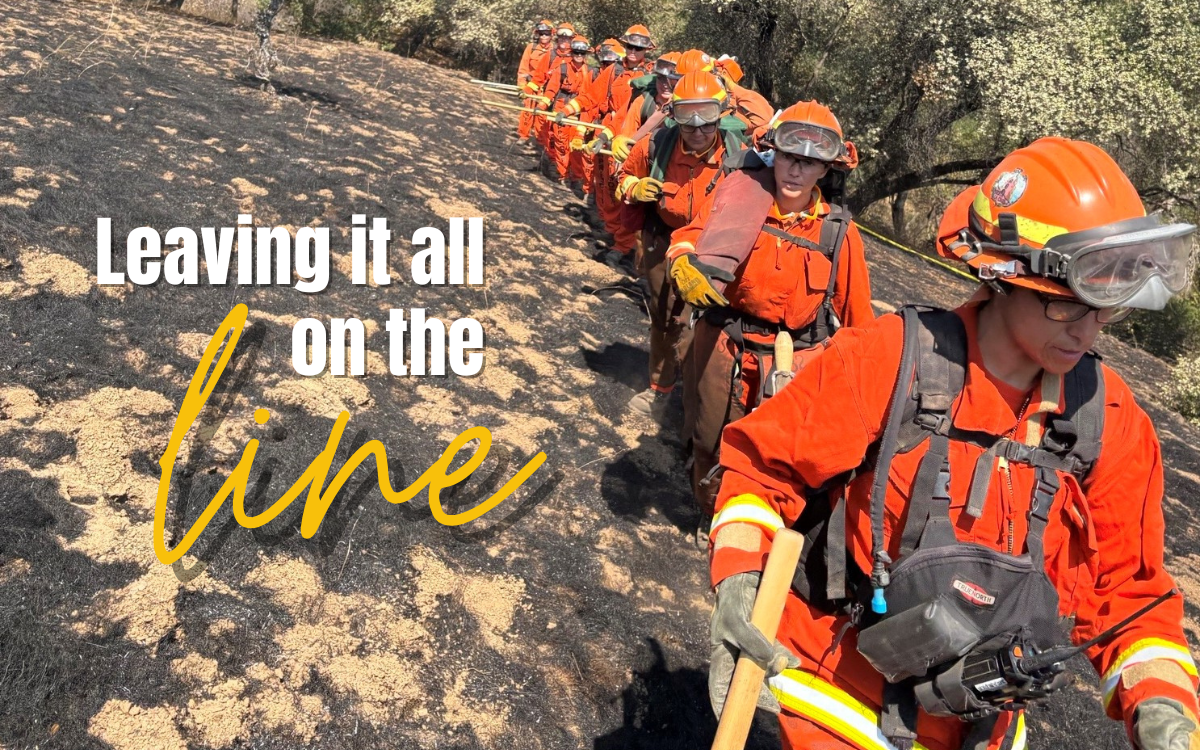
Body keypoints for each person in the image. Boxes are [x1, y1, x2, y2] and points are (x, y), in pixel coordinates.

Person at [706, 137, 1200, 750]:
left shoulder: (1110, 419)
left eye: (1106, 307)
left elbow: (1129, 589)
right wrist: (739, 581)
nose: (1089, 329)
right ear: (1004, 276)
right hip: (831, 698)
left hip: (983, 725)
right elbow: (761, 474)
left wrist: (1162, 706)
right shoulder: (891, 361)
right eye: (1067, 305)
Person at [667, 100, 872, 517]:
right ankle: (712, 517)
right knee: (709, 440)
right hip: (724, 344)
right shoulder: (740, 198)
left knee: (775, 457)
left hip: (795, 362)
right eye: (789, 157)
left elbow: (858, 320)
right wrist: (683, 260)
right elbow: (689, 235)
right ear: (772, 154)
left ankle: (752, 525)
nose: (796, 171)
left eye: (809, 163)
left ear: (826, 170)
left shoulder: (838, 233)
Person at [615, 71, 749, 417]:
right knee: (663, 317)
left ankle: (698, 403)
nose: (698, 130)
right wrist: (633, 187)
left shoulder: (740, 157)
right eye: (688, 121)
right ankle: (660, 388)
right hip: (662, 239)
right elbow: (622, 175)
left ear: (721, 115)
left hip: (710, 250)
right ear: (674, 115)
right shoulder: (656, 145)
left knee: (701, 327)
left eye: (707, 121)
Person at [541, 35, 595, 183]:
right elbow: (551, 89)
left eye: (582, 53)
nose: (579, 55)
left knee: (576, 146)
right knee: (561, 144)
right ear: (571, 52)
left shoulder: (590, 72)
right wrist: (543, 105)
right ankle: (562, 174)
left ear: (586, 54)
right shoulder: (562, 68)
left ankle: (576, 178)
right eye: (576, 52)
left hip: (579, 113)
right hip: (561, 110)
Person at [516, 20, 555, 142]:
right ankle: (523, 135)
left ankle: (540, 140)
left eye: (546, 33)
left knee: (542, 114)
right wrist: (522, 87)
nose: (544, 36)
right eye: (541, 33)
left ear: (551, 34)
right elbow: (523, 69)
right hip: (531, 85)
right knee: (527, 110)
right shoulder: (531, 48)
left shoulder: (555, 51)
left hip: (546, 87)